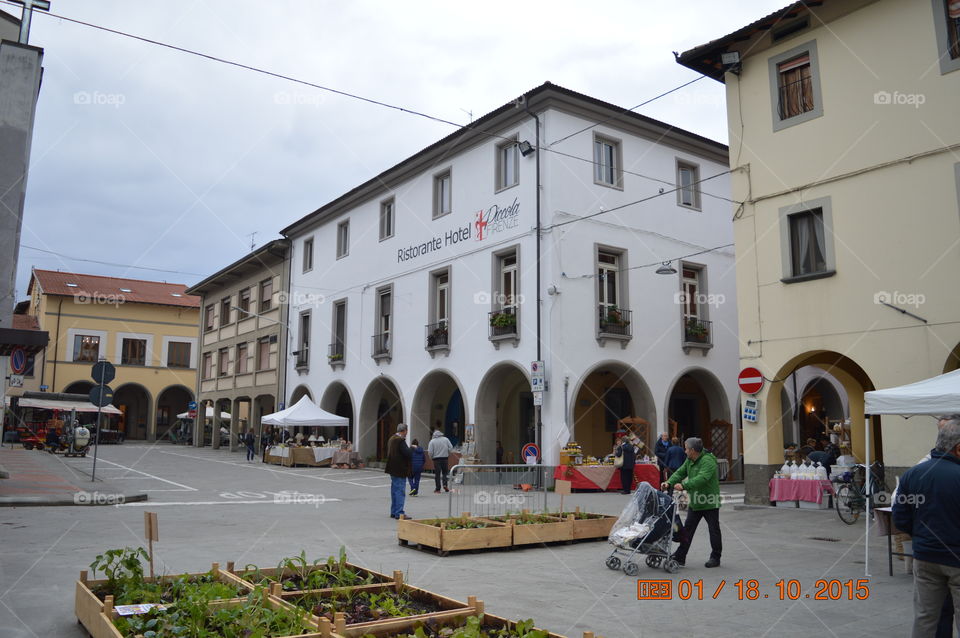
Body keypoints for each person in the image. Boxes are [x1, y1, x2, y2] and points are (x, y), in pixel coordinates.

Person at [893, 417, 960, 638]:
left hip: (925, 557)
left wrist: (921, 536)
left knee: (925, 618)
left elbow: (900, 518)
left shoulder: (913, 474)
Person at [662, 437, 722, 568]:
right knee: (687, 530)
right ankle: (680, 557)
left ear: (693, 450)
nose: (684, 451)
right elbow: (680, 472)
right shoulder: (690, 460)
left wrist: (684, 485)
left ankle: (715, 557)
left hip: (709, 501)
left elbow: (703, 478)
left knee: (714, 530)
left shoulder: (708, 461)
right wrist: (669, 482)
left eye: (686, 448)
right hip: (695, 501)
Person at [384, 423, 412, 519]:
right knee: (400, 491)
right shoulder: (400, 441)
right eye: (406, 431)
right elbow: (408, 453)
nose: (407, 433)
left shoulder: (392, 438)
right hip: (399, 469)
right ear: (404, 431)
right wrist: (412, 448)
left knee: (394, 491)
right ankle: (399, 512)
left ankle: (394, 511)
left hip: (392, 468)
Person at [428, 429, 453, 493]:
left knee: (437, 474)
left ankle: (438, 489)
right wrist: (447, 453)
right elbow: (451, 447)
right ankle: (445, 485)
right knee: (445, 473)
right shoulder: (446, 439)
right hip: (445, 458)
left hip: (436, 459)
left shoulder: (432, 441)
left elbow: (430, 452)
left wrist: (431, 457)